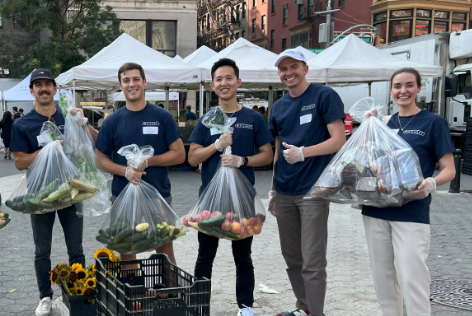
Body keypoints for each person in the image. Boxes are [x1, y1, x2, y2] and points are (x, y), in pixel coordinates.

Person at [362, 68, 455, 316]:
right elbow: (366, 163)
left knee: (412, 278)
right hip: (376, 209)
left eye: (409, 85)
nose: (403, 91)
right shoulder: (384, 124)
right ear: (391, 90)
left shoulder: (434, 122)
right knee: (383, 279)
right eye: (397, 86)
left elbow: (449, 169)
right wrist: (368, 128)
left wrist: (431, 183)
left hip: (412, 211)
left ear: (418, 88)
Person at [188, 58, 273, 316]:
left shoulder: (253, 119)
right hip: (211, 201)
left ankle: (245, 307)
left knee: (243, 256)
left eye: (228, 78)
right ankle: (200, 307)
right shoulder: (206, 120)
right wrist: (216, 145)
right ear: (212, 85)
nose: (224, 83)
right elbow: (192, 158)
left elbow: (267, 154)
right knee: (205, 256)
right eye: (219, 79)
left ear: (238, 81)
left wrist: (242, 160)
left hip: (242, 198)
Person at [9, 68, 96, 316]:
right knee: (41, 251)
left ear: (56, 89)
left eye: (48, 84)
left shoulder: (69, 117)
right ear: (32, 91)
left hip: (72, 192)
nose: (44, 88)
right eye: (39, 85)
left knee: (76, 248)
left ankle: (79, 291)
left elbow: (95, 144)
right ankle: (45, 297)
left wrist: (84, 123)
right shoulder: (23, 124)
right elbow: (19, 162)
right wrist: (47, 150)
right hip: (40, 197)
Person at [268, 48, 346, 316]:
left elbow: (339, 140)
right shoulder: (278, 107)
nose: (288, 73)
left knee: (312, 261)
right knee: (291, 258)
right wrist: (272, 190)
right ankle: (304, 308)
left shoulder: (324, 96)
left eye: (293, 67)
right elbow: (278, 149)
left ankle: (316, 312)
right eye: (283, 69)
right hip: (284, 190)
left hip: (313, 190)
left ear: (305, 68)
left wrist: (304, 152)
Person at [95, 62, 185, 265]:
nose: (131, 84)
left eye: (136, 79)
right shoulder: (112, 121)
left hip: (158, 196)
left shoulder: (162, 116)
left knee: (163, 249)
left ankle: (166, 294)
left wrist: (149, 161)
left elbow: (179, 155)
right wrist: (125, 171)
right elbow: (100, 159)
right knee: (127, 250)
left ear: (144, 82)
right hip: (122, 196)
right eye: (126, 80)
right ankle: (132, 293)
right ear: (120, 85)